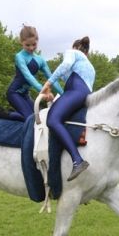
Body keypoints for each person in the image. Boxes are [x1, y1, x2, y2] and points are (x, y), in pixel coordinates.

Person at [40, 36, 95, 181]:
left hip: (76, 91)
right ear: (87, 53)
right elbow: (65, 85)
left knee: (52, 119)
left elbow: (65, 65)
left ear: (76, 48)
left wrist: (47, 84)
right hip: (84, 95)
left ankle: (77, 159)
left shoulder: (72, 53)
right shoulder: (89, 66)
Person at [6, 26, 63, 121]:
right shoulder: (19, 57)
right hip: (14, 93)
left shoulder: (40, 60)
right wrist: (44, 91)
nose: (31, 48)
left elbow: (52, 79)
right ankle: (4, 115)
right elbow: (28, 77)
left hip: (25, 95)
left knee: (40, 117)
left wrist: (63, 94)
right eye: (27, 45)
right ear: (21, 42)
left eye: (34, 44)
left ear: (37, 41)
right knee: (31, 119)